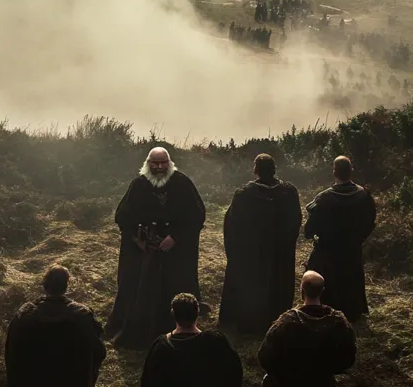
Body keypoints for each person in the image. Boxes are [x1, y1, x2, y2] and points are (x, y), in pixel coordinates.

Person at [106, 147, 206, 350]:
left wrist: (175, 237)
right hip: (146, 252)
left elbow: (196, 215)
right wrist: (138, 239)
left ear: (169, 163)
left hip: (175, 252)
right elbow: (123, 217)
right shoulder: (139, 185)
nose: (159, 167)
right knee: (143, 288)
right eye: (155, 163)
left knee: (173, 286)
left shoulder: (182, 183)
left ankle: (176, 325)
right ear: (148, 163)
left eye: (163, 163)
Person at [219, 154, 302, 336]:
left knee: (253, 285)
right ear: (274, 169)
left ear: (255, 169)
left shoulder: (244, 195)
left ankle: (251, 323)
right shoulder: (289, 193)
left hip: (252, 254)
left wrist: (235, 252)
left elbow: (232, 225)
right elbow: (295, 222)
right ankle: (278, 321)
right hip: (280, 253)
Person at [305, 156, 376, 322]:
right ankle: (353, 311)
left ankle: (319, 307)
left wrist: (316, 236)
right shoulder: (364, 195)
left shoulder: (324, 198)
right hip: (352, 250)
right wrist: (358, 239)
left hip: (327, 252)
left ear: (334, 172)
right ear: (351, 171)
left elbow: (309, 230)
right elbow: (370, 223)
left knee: (315, 271)